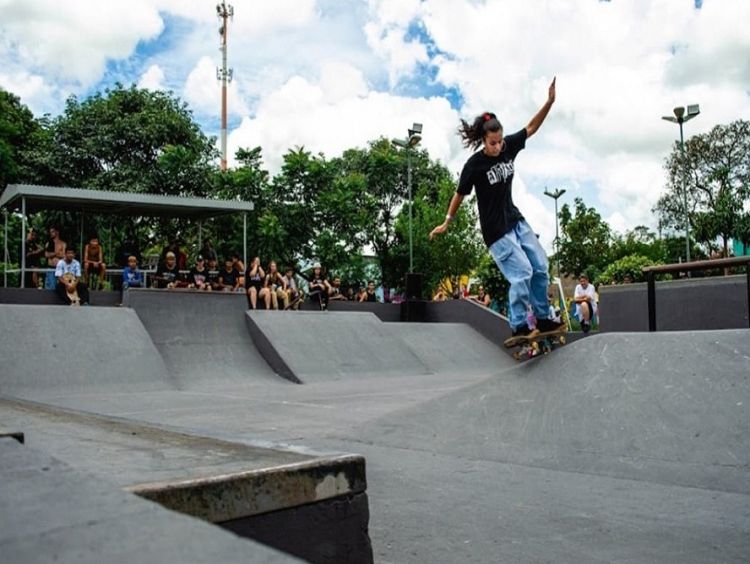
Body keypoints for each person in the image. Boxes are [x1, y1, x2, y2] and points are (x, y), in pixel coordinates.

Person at [429, 77, 565, 340]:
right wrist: (447, 221)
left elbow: (531, 127)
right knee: (522, 272)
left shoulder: (507, 147)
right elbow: (459, 195)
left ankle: (544, 318)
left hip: (515, 221)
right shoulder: (474, 165)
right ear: (483, 140)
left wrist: (548, 102)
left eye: (500, 141)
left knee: (539, 266)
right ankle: (518, 324)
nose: (497, 146)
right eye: (492, 143)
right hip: (496, 232)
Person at [44, 226, 66, 290]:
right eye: (50, 232)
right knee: (50, 287)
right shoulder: (48, 243)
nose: (51, 233)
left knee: (60, 287)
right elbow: (46, 255)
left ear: (57, 232)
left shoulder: (63, 244)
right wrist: (56, 253)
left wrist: (53, 254)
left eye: (52, 231)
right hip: (50, 268)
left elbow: (64, 255)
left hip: (60, 269)